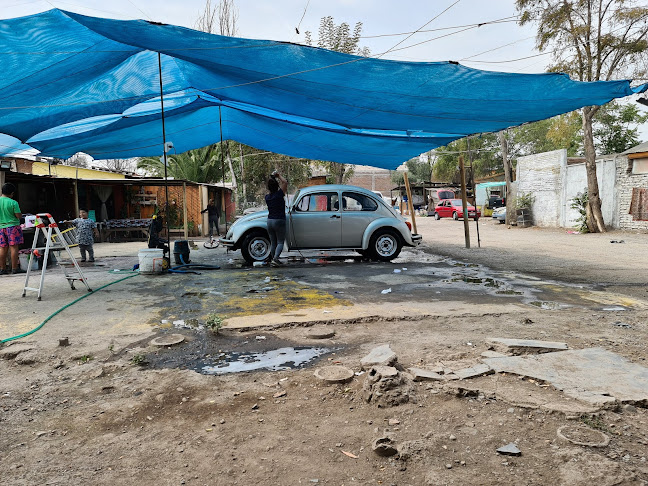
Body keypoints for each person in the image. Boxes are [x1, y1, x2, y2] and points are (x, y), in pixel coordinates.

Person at [0, 182, 25, 275]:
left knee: (2, 248)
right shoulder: (13, 202)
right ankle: (14, 268)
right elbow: (18, 216)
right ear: (11, 193)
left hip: (1, 227)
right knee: (14, 248)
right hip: (13, 227)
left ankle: (2, 269)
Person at [265, 171, 288, 267]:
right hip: (279, 220)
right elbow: (285, 182)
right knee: (280, 242)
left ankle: (273, 259)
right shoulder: (279, 195)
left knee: (273, 243)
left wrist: (273, 179)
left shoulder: (267, 197)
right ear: (277, 186)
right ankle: (275, 259)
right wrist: (278, 176)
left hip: (269, 221)